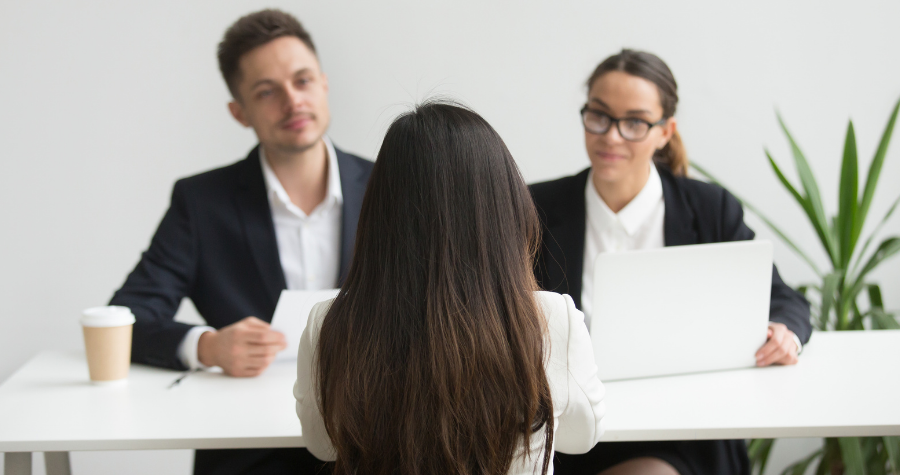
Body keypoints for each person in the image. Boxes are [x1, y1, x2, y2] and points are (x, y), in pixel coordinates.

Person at [109, 9, 373, 475]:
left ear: (324, 84)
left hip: (372, 440)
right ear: (239, 112)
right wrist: (207, 346)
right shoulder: (200, 202)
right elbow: (127, 316)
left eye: (303, 80)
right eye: (267, 92)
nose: (292, 101)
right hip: (247, 447)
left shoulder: (386, 186)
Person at [530, 49, 812, 475]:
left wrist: (785, 333)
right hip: (574, 430)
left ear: (665, 132)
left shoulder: (709, 208)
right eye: (599, 116)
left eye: (635, 123)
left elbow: (783, 299)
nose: (611, 137)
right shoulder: (537, 208)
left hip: (686, 427)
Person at [293, 102, 607, 475]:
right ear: (505, 208)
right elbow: (583, 438)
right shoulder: (552, 319)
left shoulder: (328, 323)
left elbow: (322, 443)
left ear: (378, 212)